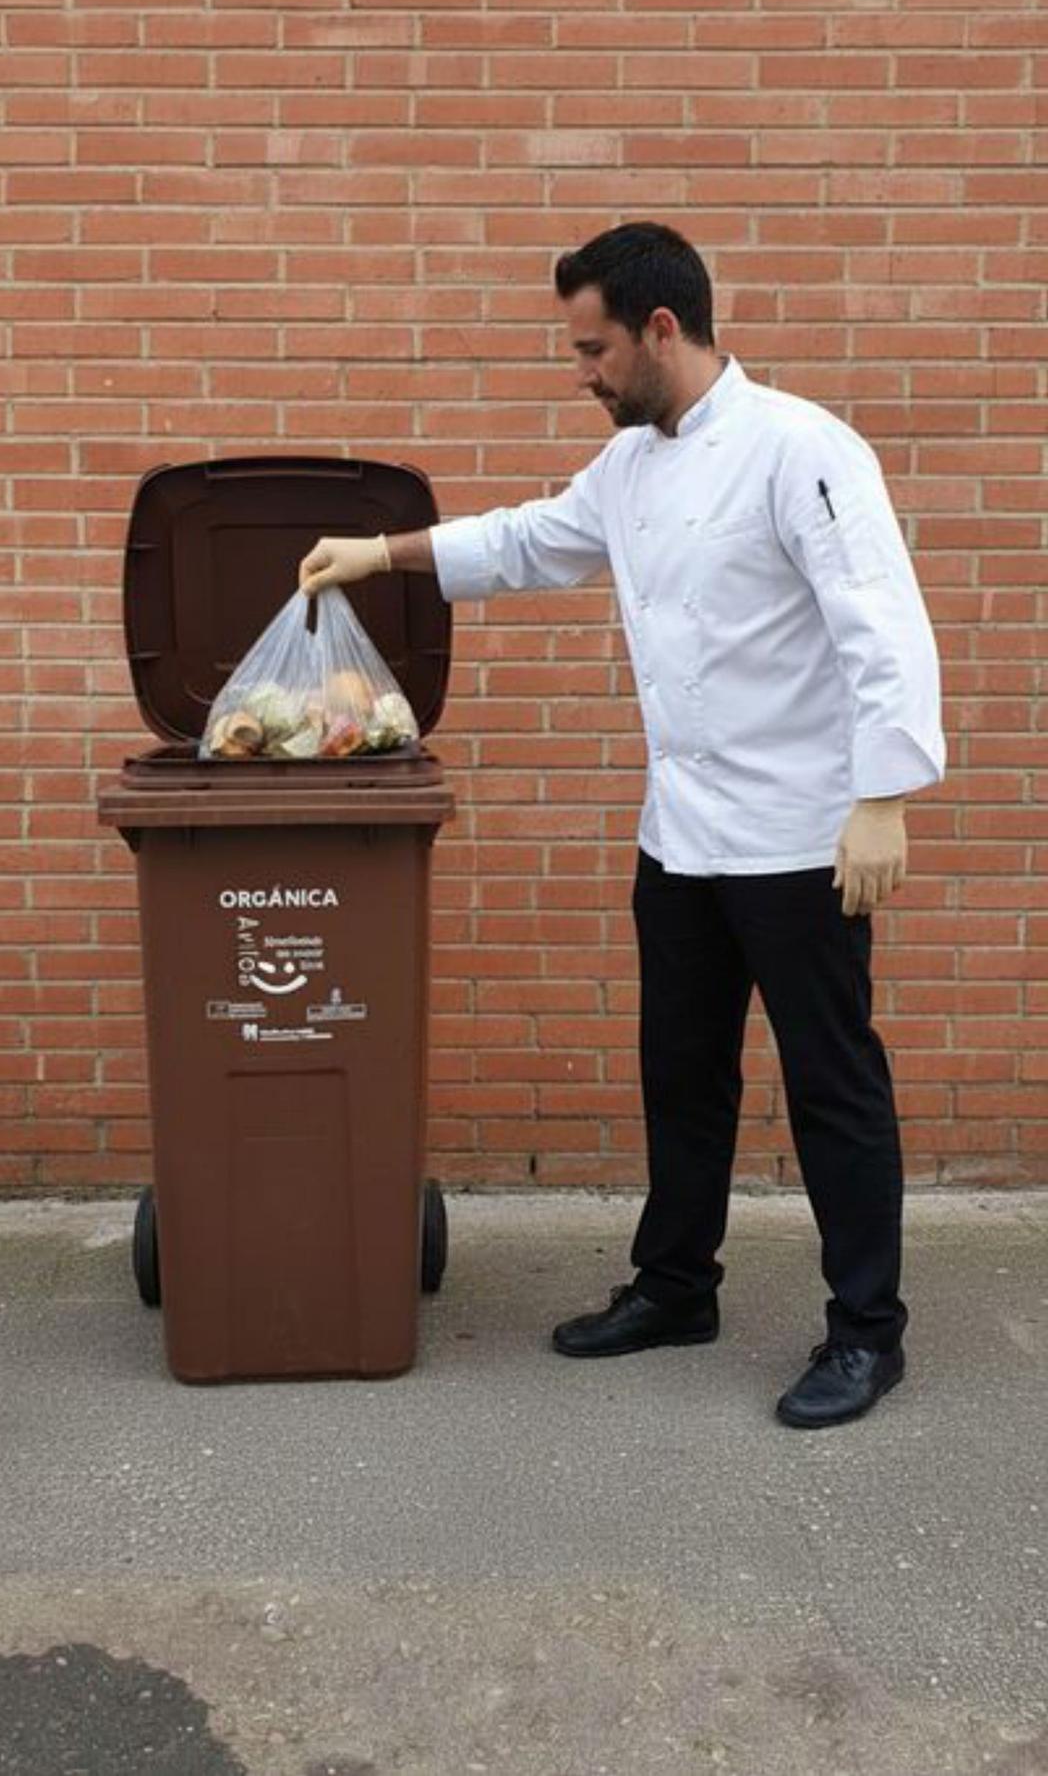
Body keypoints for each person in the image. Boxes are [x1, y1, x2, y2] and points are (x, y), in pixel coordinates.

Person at [299, 221, 945, 1429]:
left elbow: (881, 621)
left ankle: (867, 1332)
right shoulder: (635, 465)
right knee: (681, 1074)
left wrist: (883, 797)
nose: (580, 370)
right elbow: (533, 539)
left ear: (660, 328)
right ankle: (674, 1286)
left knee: (833, 1087)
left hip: (806, 840)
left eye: (592, 348)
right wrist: (378, 553)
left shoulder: (801, 448)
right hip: (684, 832)